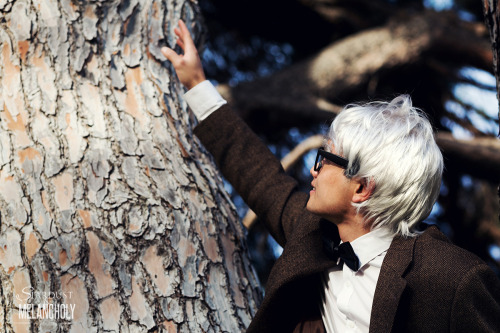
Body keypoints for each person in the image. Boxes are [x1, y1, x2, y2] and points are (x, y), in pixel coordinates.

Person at [162, 20, 500, 333]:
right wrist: (195, 83)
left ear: (362, 188)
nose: (313, 168)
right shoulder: (312, 234)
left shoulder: (453, 279)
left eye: (325, 158)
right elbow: (258, 174)